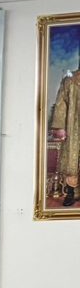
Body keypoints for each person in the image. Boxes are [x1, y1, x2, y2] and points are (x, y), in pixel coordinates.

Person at [50, 62, 80, 206]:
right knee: (72, 161)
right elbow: (61, 104)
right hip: (73, 128)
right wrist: (60, 127)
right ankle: (71, 193)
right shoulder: (69, 80)